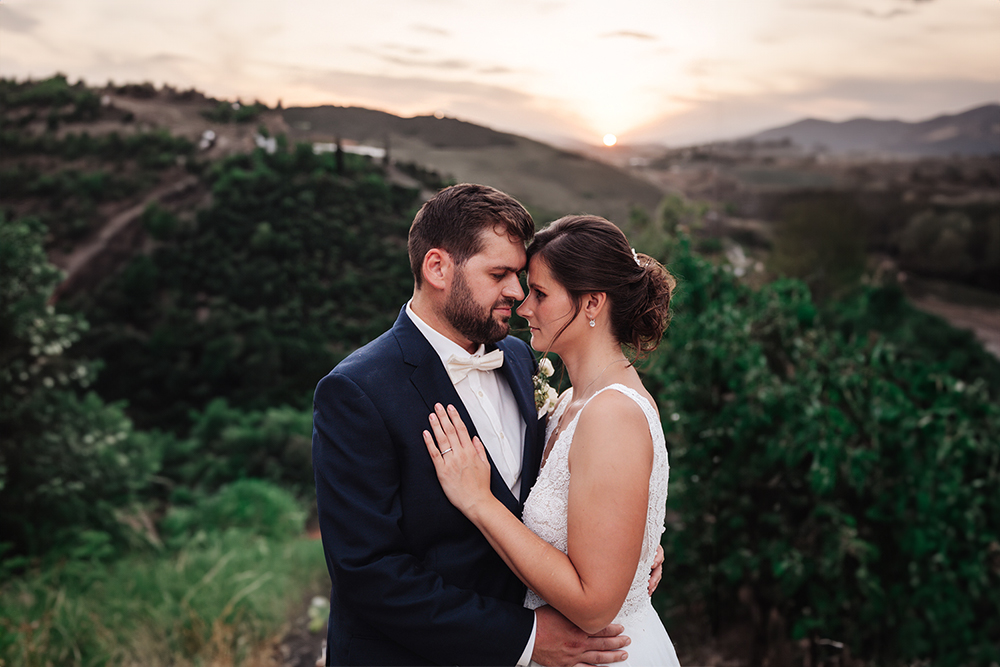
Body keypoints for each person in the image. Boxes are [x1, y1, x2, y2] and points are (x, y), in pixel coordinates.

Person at [312, 185, 654, 666]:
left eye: (521, 276)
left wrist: (628, 556)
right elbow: (368, 571)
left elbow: (574, 486)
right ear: (437, 268)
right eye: (500, 274)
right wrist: (527, 638)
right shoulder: (356, 390)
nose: (516, 293)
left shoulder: (518, 357)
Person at [423, 214, 682, 666]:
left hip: (604, 655)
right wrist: (637, 551)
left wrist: (478, 501)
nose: (523, 308)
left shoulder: (611, 413)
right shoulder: (567, 403)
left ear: (592, 304)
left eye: (540, 294)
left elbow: (595, 605)